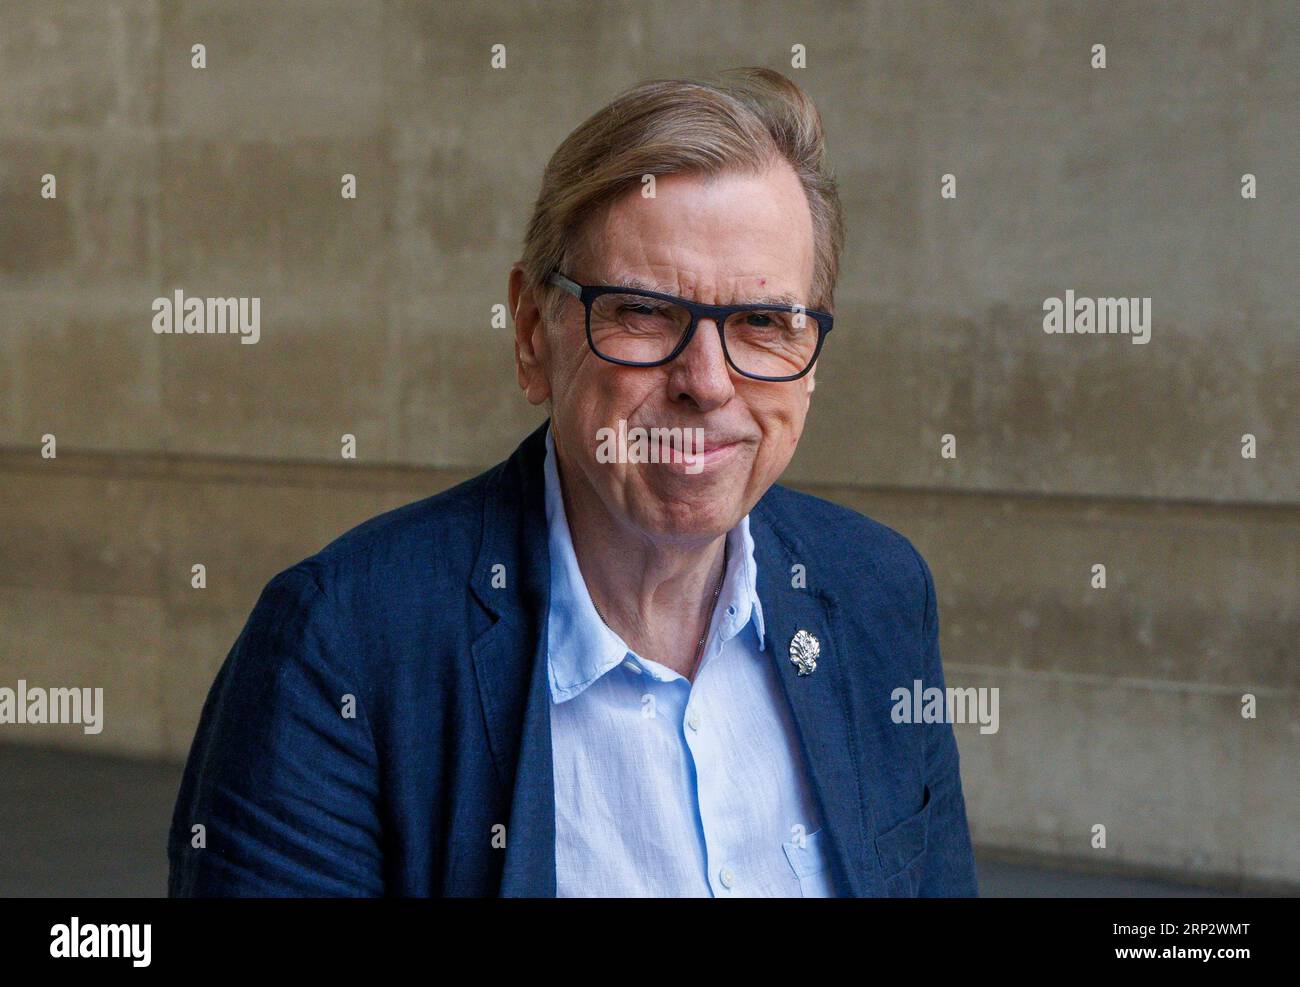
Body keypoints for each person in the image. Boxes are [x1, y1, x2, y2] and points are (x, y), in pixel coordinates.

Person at [168, 67, 978, 897]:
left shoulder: (878, 591)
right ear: (531, 336)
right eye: (644, 311)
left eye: (763, 323)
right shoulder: (340, 643)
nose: (706, 381)